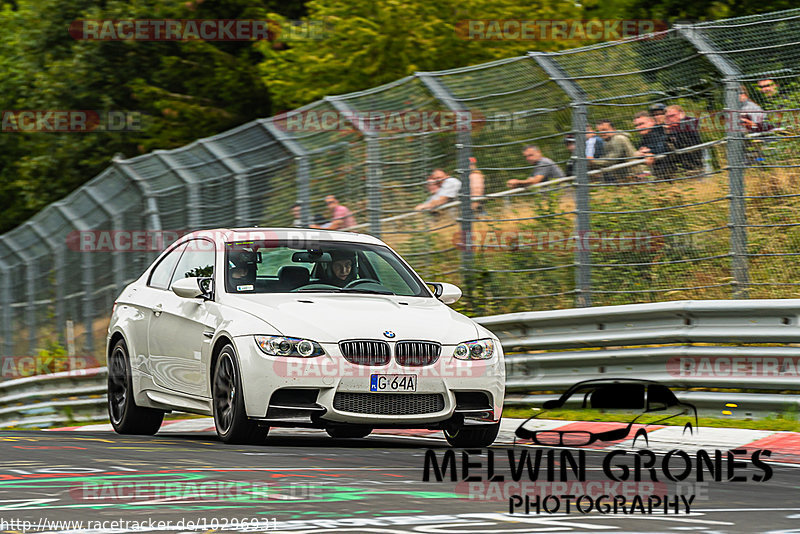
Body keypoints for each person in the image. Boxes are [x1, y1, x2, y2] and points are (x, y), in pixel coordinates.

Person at [633, 111, 671, 179]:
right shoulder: (646, 137)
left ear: (652, 122)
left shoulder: (659, 131)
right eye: (636, 125)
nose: (639, 127)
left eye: (641, 124)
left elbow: (664, 146)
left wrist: (650, 152)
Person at [664, 105, 702, 172]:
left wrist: (669, 131)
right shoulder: (669, 128)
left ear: (681, 114)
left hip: (694, 163)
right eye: (668, 117)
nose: (670, 119)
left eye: (672, 116)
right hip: (679, 165)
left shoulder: (689, 122)